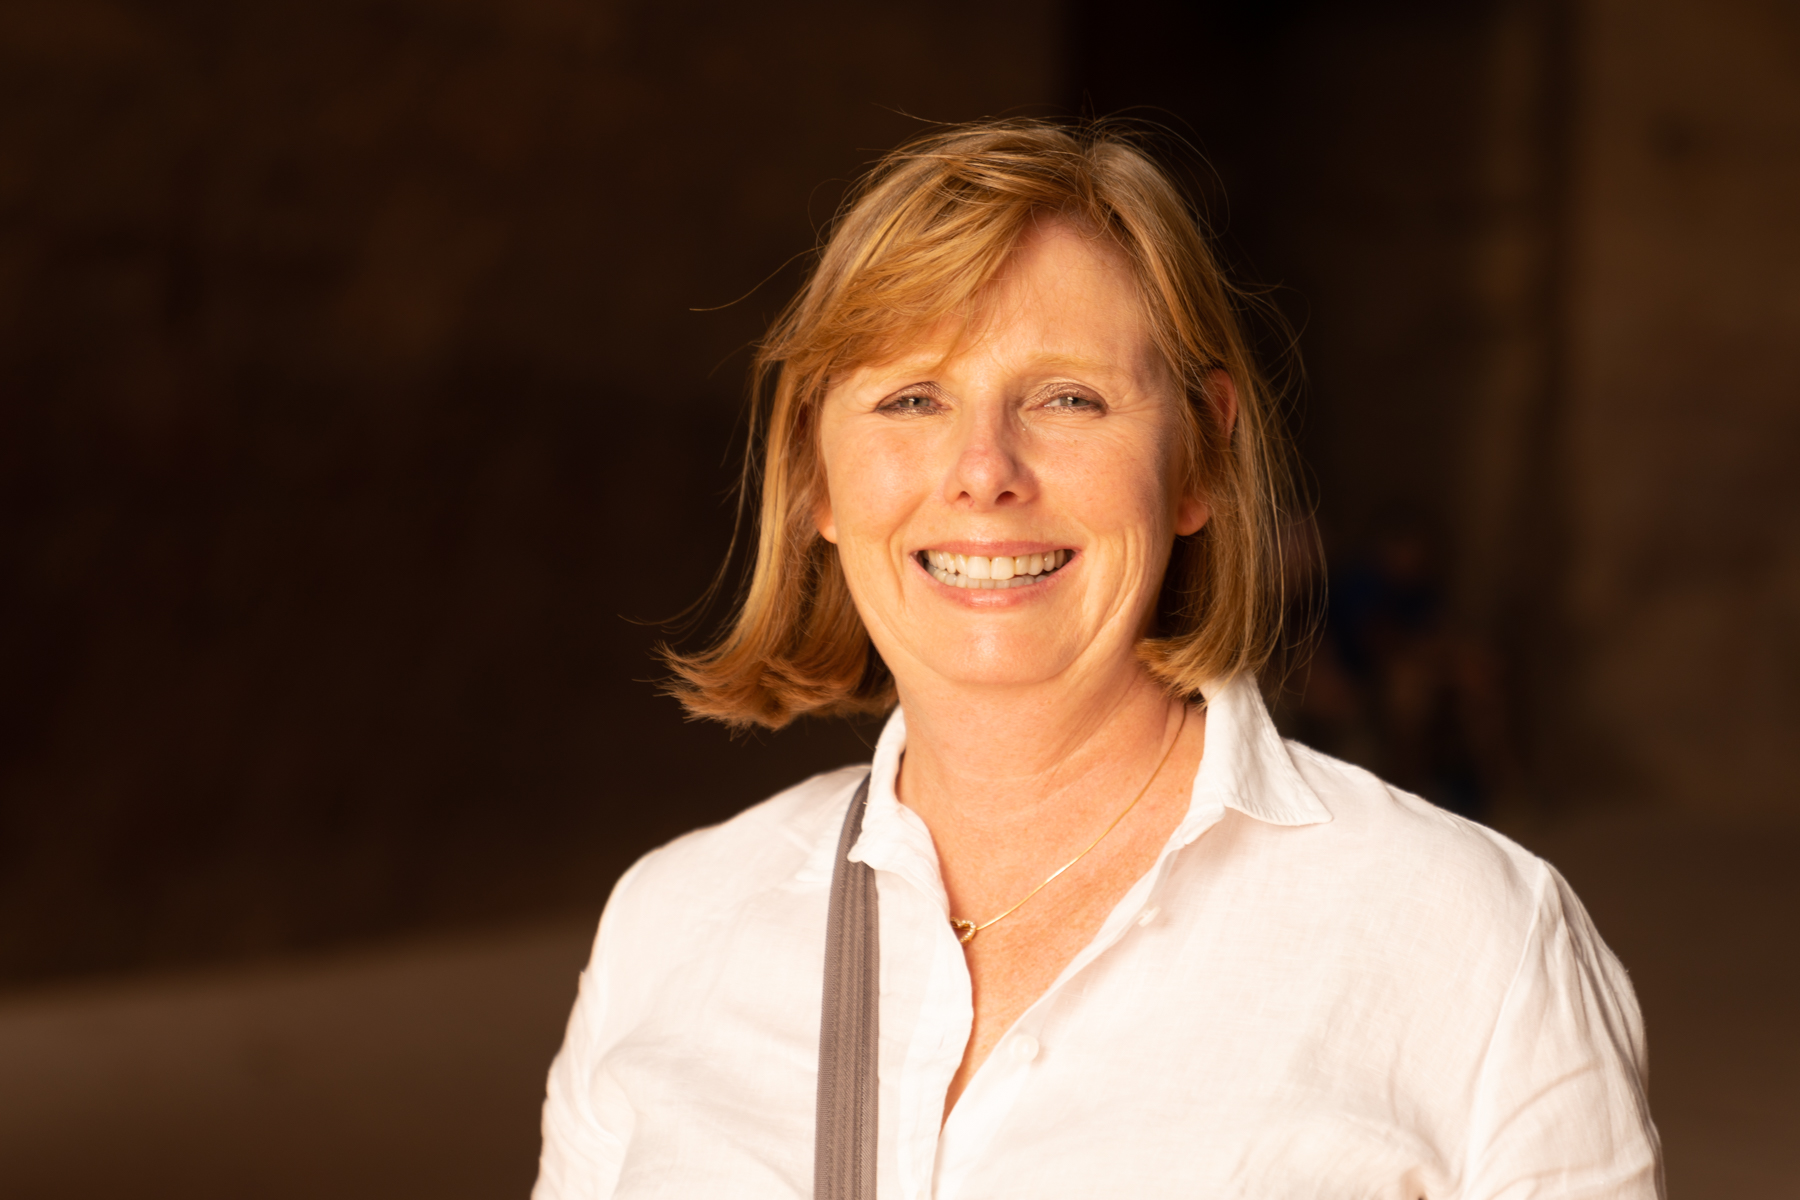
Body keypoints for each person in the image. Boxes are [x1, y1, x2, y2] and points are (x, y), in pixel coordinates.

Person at [534, 120, 1662, 1199]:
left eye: (1068, 397)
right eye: (912, 398)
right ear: (818, 478)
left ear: (1201, 461)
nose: (983, 470)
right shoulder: (670, 930)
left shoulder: (1473, 945)